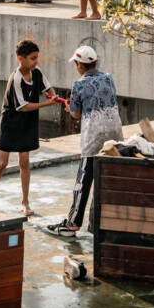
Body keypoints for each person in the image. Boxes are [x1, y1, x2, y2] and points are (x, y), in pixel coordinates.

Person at [47, 46, 123, 237]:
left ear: (79, 64)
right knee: (109, 179)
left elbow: (76, 113)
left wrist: (69, 106)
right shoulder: (109, 77)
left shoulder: (78, 84)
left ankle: (72, 224)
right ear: (96, 62)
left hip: (93, 135)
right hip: (115, 133)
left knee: (84, 180)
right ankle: (103, 223)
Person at [0, 40, 58, 216]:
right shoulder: (16, 78)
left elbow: (48, 88)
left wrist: (56, 98)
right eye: (33, 59)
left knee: (24, 162)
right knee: (2, 163)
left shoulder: (37, 72)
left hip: (27, 122)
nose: (36, 62)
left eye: (37, 58)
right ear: (21, 58)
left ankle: (25, 202)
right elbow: (23, 106)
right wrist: (47, 104)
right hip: (11, 122)